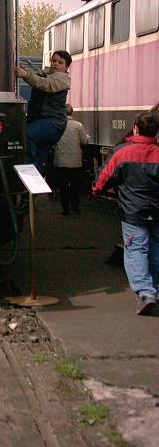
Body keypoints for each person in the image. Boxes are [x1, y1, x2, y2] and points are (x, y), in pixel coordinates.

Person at [92, 112, 159, 316]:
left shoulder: (122, 152)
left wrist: (96, 189)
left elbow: (103, 178)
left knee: (136, 250)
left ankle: (145, 293)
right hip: (157, 211)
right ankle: (155, 289)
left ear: (136, 128)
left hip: (132, 212)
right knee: (156, 250)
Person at [16, 50, 72, 176]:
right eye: (54, 61)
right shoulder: (45, 74)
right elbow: (36, 77)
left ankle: (30, 169)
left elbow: (45, 84)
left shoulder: (62, 80)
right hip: (45, 122)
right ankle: (35, 179)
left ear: (66, 67)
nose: (56, 64)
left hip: (52, 122)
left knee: (27, 134)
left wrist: (25, 74)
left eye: (60, 62)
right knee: (40, 157)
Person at [54, 104, 89, 216]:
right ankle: (75, 208)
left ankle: (65, 209)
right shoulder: (78, 126)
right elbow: (84, 141)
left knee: (63, 187)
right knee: (75, 186)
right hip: (75, 161)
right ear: (72, 112)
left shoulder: (57, 126)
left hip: (61, 161)